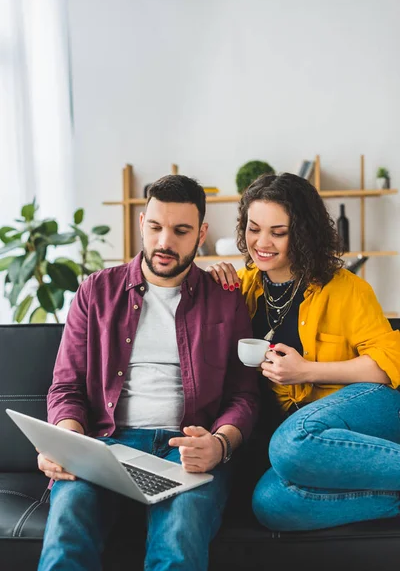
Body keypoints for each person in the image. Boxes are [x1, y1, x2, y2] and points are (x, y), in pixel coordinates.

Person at [37, 174, 259, 571]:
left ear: (201, 233)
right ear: (142, 222)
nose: (164, 242)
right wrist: (67, 441)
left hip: (187, 451)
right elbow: (66, 386)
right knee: (66, 533)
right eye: (155, 227)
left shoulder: (225, 299)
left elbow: (243, 395)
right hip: (105, 446)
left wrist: (220, 445)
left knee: (177, 544)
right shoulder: (95, 291)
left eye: (181, 230)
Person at [205, 171, 400, 531]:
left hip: (368, 407)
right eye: (253, 228)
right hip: (312, 444)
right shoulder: (241, 287)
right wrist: (210, 284)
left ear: (304, 233)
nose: (261, 242)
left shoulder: (347, 288)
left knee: (290, 444)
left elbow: (387, 367)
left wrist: (306, 371)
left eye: (278, 233)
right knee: (270, 503)